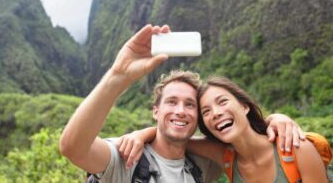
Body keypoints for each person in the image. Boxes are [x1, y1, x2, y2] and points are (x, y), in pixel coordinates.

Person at [59, 24, 304, 182]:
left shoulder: (206, 163)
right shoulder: (127, 156)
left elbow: (248, 141)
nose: (180, 110)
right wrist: (117, 75)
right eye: (171, 102)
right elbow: (73, 148)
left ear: (198, 117)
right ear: (156, 111)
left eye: (190, 105)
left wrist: (275, 119)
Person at [119, 76, 327, 182]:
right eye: (206, 111)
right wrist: (140, 134)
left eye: (222, 102)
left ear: (244, 106)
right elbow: (173, 137)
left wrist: (277, 117)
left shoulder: (295, 148)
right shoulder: (226, 156)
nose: (216, 113)